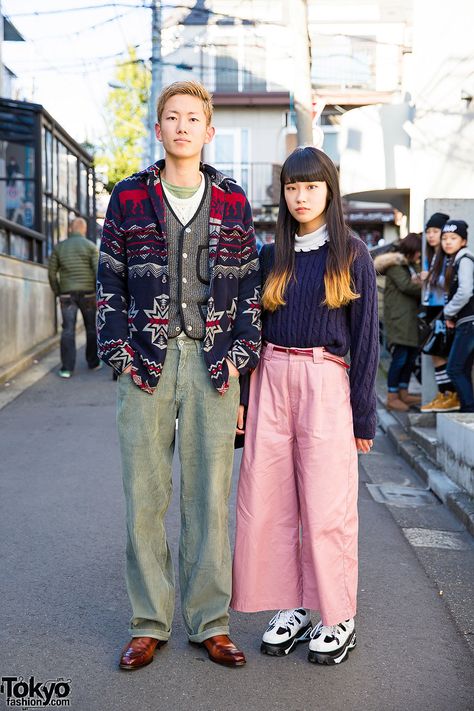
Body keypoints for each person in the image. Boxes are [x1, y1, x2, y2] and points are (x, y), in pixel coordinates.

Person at [96, 80, 261, 671]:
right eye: (173, 117)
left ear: (209, 130)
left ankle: (210, 622)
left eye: (194, 117)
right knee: (145, 495)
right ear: (159, 128)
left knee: (209, 497)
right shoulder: (129, 197)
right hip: (145, 360)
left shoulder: (234, 200)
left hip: (214, 363)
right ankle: (149, 622)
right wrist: (118, 351)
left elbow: (247, 286)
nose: (183, 126)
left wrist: (241, 352)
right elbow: (108, 278)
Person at [231, 146, 378, 666]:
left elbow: (366, 341)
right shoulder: (272, 255)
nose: (300, 196)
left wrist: (364, 414)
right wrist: (244, 399)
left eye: (311, 186)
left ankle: (337, 614)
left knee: (326, 504)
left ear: (329, 191)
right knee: (268, 501)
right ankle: (289, 605)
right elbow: (251, 330)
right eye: (292, 187)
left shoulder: (353, 254)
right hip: (270, 375)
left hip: (325, 380)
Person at [374, 234, 422, 411]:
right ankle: (392, 396)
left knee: (409, 358)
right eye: (418, 252)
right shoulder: (395, 266)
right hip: (399, 319)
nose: (420, 256)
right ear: (411, 250)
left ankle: (403, 392)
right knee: (400, 358)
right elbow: (407, 286)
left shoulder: (409, 265)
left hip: (409, 319)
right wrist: (426, 285)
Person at [48, 216, 100, 378]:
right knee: (91, 328)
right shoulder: (91, 247)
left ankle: (67, 368)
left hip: (67, 295)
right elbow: (98, 272)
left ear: (70, 229)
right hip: (88, 294)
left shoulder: (59, 248)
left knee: (68, 330)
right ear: (84, 230)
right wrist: (97, 292)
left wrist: (58, 291)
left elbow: (51, 273)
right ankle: (93, 362)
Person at [419, 212, 459, 412]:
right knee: (435, 353)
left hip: (444, 309)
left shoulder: (448, 257)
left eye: (435, 231)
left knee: (440, 353)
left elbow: (451, 283)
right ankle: (444, 395)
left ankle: (450, 395)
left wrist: (430, 278)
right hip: (432, 308)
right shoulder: (431, 256)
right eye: (428, 232)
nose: (431, 236)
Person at [442, 221, 474, 412]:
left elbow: (465, 291)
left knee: (454, 368)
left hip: (469, 323)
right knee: (462, 369)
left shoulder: (465, 260)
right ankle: (468, 409)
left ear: (464, 241)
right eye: (445, 238)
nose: (448, 242)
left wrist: (448, 311)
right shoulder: (457, 260)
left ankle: (468, 410)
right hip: (467, 321)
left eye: (453, 238)